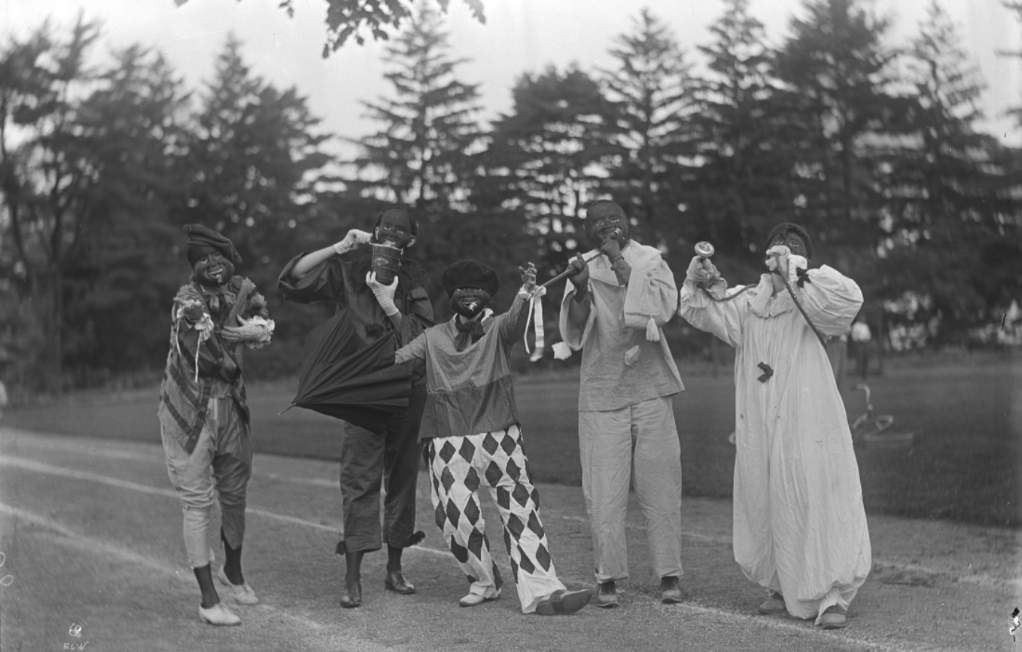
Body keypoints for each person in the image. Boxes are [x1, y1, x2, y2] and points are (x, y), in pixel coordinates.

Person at [676, 221, 871, 630]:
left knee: (815, 493)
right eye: (779, 244)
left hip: (809, 417)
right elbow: (697, 309)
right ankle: (783, 584)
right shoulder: (750, 301)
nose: (784, 249)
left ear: (805, 257)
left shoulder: (815, 297)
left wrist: (795, 272)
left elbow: (849, 301)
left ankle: (833, 594)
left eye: (795, 245)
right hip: (761, 420)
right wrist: (698, 277)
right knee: (767, 492)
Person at [380, 259, 591, 615]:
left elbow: (515, 322)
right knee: (457, 518)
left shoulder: (496, 328)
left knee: (522, 511)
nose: (470, 298)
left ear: (488, 296)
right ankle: (482, 581)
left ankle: (542, 590)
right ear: (452, 297)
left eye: (478, 292)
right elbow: (398, 359)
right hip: (449, 440)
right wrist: (365, 354)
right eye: (463, 292)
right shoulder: (432, 338)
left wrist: (525, 291)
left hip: (500, 434)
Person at [278, 207, 433, 608]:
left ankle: (394, 568)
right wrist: (339, 246)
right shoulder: (349, 274)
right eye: (385, 227)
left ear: (410, 240)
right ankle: (352, 579)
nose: (392, 233)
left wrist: (390, 303)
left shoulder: (415, 282)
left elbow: (424, 339)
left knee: (401, 480)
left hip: (407, 388)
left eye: (401, 230)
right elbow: (294, 278)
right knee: (359, 481)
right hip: (362, 389)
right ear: (374, 231)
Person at [557, 200, 685, 608]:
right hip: (602, 390)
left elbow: (664, 310)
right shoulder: (581, 267)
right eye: (599, 223)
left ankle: (669, 574)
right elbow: (575, 333)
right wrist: (579, 289)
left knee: (661, 487)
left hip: (649, 385)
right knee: (604, 492)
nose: (610, 226)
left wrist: (620, 264)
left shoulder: (650, 260)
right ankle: (608, 577)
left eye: (616, 219)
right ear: (589, 232)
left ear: (628, 223)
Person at [157, 224, 275, 626]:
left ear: (229, 258)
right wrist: (232, 346)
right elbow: (210, 351)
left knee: (235, 494)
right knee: (197, 502)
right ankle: (208, 600)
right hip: (189, 411)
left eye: (217, 256)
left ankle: (233, 572)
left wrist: (254, 328)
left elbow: (262, 315)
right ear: (193, 268)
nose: (212, 264)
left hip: (231, 409)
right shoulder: (187, 300)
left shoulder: (241, 288)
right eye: (202, 259)